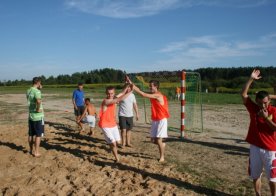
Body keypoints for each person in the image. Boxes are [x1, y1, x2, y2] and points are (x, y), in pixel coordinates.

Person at [241, 69, 276, 196]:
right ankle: (258, 194)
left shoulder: (274, 111)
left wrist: (266, 118)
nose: (263, 106)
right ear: (256, 102)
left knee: (272, 178)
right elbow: (244, 94)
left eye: (265, 103)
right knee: (255, 175)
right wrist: (251, 79)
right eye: (260, 103)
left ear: (269, 102)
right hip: (255, 147)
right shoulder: (254, 109)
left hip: (270, 149)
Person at [126, 76, 169, 162]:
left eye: (151, 86)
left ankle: (162, 157)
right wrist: (130, 83)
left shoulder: (158, 95)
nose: (149, 87)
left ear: (156, 86)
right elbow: (141, 91)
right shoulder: (153, 94)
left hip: (162, 119)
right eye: (149, 86)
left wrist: (133, 87)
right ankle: (162, 144)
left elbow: (143, 94)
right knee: (153, 140)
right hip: (155, 119)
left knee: (158, 139)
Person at [98, 85, 133, 162]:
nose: (110, 95)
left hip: (113, 124)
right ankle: (117, 158)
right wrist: (131, 91)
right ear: (106, 93)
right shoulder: (106, 101)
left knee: (118, 142)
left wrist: (128, 84)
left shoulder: (113, 98)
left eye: (111, 93)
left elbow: (122, 92)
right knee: (113, 143)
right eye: (108, 93)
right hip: (105, 125)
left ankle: (112, 147)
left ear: (114, 93)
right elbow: (120, 98)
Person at [26, 77, 44, 157]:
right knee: (38, 135)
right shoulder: (37, 91)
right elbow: (38, 101)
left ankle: (31, 150)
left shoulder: (28, 90)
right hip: (37, 116)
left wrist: (39, 90)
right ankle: (36, 152)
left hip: (31, 116)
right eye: (40, 82)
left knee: (30, 134)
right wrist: (37, 109)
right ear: (38, 82)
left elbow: (32, 100)